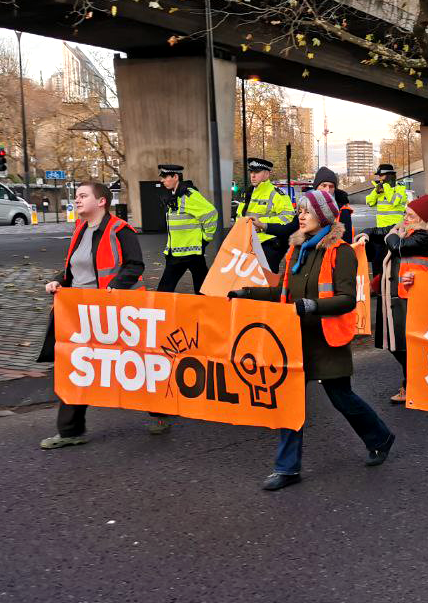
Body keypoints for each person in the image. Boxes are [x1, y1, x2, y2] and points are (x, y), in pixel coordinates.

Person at [230, 189, 395, 490]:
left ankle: (380, 437)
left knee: (342, 398)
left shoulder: (341, 252)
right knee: (290, 402)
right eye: (300, 211)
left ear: (324, 216)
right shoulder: (297, 249)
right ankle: (287, 468)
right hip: (294, 340)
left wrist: (312, 306)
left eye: (307, 211)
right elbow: (285, 292)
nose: (301, 216)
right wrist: (247, 293)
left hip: (326, 339)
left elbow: (347, 299)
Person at [37, 181, 150, 448]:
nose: (76, 200)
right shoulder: (79, 230)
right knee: (76, 366)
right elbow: (73, 271)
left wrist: (113, 288)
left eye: (83, 196)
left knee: (136, 364)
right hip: (80, 312)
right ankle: (70, 432)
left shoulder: (120, 230)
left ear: (101, 202)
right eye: (76, 196)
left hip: (115, 312)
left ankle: (160, 412)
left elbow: (135, 265)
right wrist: (58, 281)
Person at [358, 195, 428, 403]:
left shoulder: (423, 236)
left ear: (421, 218)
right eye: (406, 214)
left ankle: (412, 384)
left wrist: (391, 234)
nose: (406, 218)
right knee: (394, 344)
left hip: (410, 297)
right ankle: (414, 381)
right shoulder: (404, 229)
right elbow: (379, 233)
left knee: (403, 345)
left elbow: (397, 246)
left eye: (411, 215)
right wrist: (365, 234)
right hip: (393, 296)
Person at [156, 163, 218, 293]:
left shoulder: (189, 195)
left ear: (176, 177)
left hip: (192, 252)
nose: (162, 180)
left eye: (165, 177)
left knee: (202, 291)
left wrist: (206, 238)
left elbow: (211, 213)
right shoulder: (173, 195)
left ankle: (208, 312)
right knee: (164, 291)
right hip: (176, 253)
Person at [312, 166, 354, 242]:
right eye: (323, 185)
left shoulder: (343, 211)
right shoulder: (305, 207)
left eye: (331, 186)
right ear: (316, 187)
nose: (327, 190)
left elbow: (346, 243)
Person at [366, 163, 409, 229]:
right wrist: (376, 192)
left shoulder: (400, 188)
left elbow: (394, 201)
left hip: (396, 227)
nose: (379, 177)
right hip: (381, 228)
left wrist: (386, 187)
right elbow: (369, 203)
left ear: (389, 175)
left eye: (381, 175)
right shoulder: (379, 187)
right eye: (379, 175)